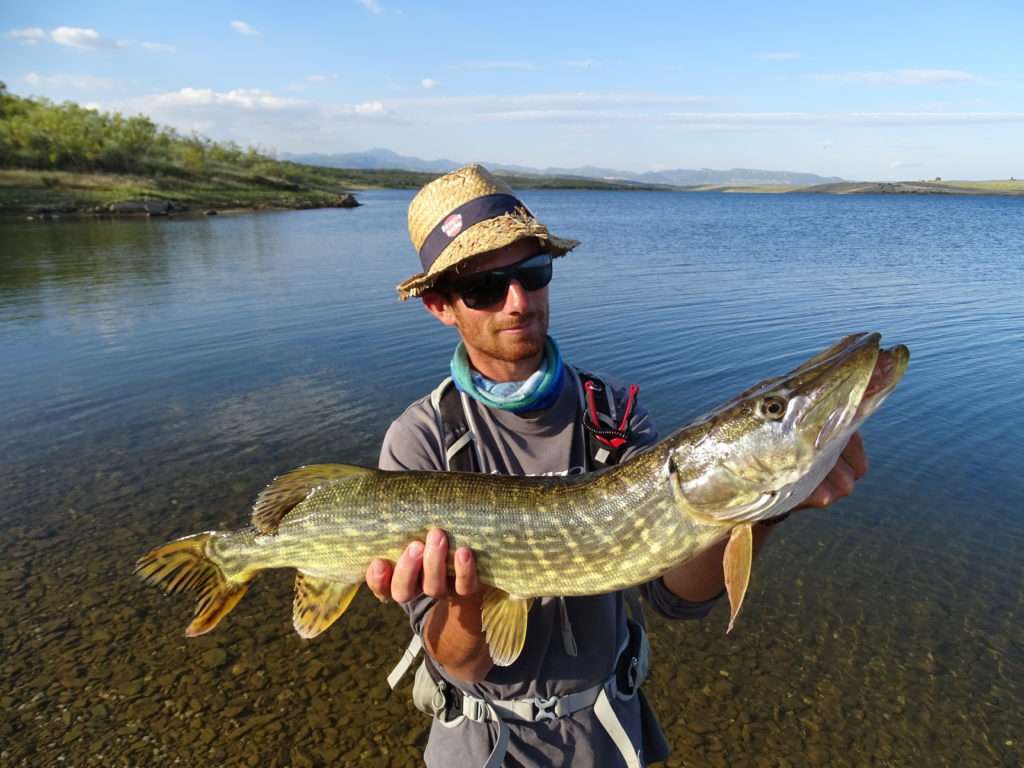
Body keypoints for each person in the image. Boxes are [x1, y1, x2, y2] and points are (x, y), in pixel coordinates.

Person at [366, 165, 868, 767]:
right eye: (484, 289)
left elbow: (678, 597)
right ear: (440, 305)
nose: (518, 302)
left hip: (607, 735)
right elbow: (461, 661)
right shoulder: (418, 441)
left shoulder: (611, 413)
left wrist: (765, 514)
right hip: (482, 744)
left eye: (532, 273)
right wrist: (468, 602)